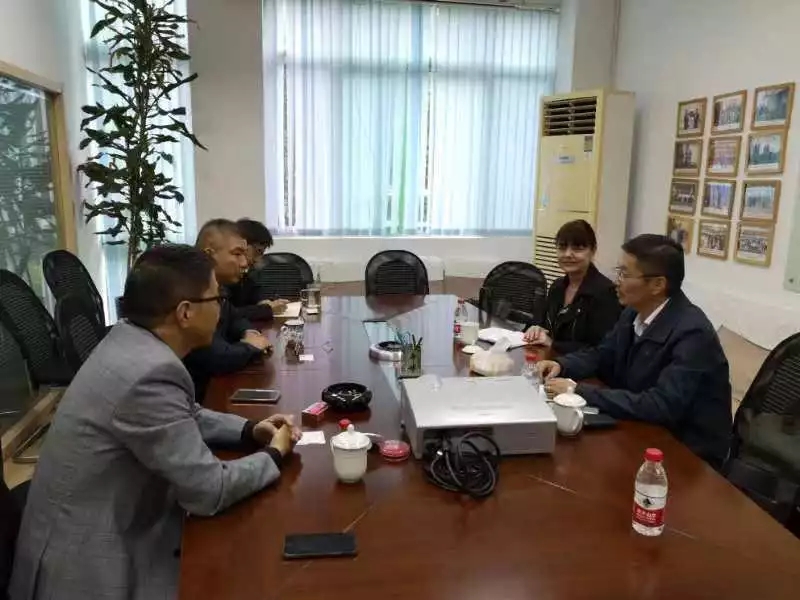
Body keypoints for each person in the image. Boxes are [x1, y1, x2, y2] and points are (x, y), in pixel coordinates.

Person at [10, 245, 301, 600]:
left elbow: (185, 412)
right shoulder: (149, 372)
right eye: (218, 299)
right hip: (88, 569)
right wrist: (274, 454)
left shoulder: (130, 339)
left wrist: (248, 430)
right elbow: (210, 490)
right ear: (185, 312)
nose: (222, 308)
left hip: (93, 525)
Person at [537, 234, 732, 469]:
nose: (616, 281)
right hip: (640, 429)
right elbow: (602, 354)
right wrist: (562, 365)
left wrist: (578, 390)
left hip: (686, 454)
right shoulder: (633, 312)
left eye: (624, 274)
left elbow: (661, 405)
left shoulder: (693, 333)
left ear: (657, 285)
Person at [183, 219, 272, 403]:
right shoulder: (191, 293)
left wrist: (249, 332)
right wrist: (251, 346)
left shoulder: (216, 287)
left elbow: (235, 317)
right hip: (192, 398)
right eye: (237, 254)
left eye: (244, 254)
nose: (244, 263)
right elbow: (216, 358)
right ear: (209, 255)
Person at [524, 220, 621, 353]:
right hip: (549, 359)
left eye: (578, 248)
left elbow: (601, 349)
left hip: (578, 365)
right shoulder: (557, 286)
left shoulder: (605, 292)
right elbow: (540, 323)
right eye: (562, 247)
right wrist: (535, 329)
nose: (568, 254)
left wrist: (553, 344)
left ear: (592, 251)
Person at [228, 218, 289, 321]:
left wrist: (263, 301)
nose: (258, 260)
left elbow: (253, 290)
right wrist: (265, 310)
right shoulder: (221, 274)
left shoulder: (244, 272)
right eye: (258, 252)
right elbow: (227, 314)